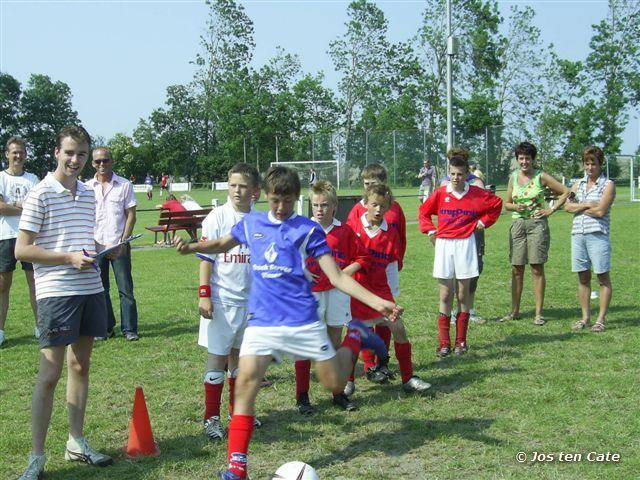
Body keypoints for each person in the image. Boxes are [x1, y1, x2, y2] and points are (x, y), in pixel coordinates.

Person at [174, 166, 400, 480]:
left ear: (297, 199)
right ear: (264, 196)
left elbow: (335, 276)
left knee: (334, 383)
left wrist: (377, 302)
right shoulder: (251, 222)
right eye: (275, 200)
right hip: (263, 321)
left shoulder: (308, 230)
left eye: (288, 200)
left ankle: (357, 335)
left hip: (301, 318)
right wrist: (193, 247)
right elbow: (222, 244)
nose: (281, 207)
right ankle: (237, 469)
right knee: (245, 385)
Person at [15, 126, 113, 479]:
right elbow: (22, 249)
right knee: (49, 374)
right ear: (56, 152)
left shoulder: (88, 194)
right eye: (70, 152)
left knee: (80, 367)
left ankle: (76, 441)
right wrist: (69, 258)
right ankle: (37, 457)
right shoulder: (39, 194)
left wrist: (97, 250)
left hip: (89, 287)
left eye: (82, 154)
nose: (76, 160)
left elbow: (81, 240)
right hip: (56, 292)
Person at [197, 163, 262, 441]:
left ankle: (239, 411)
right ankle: (211, 418)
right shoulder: (217, 217)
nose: (237, 190)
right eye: (233, 185)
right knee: (217, 358)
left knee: (240, 359)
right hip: (222, 301)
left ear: (255, 192)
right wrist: (204, 294)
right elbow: (205, 258)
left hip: (249, 303)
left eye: (243, 186)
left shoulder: (260, 221)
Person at [350, 183, 432, 391]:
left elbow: (390, 268)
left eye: (383, 206)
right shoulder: (353, 228)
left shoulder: (390, 234)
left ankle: (408, 379)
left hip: (381, 291)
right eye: (374, 205)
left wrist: (391, 296)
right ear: (366, 204)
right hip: (359, 291)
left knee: (399, 327)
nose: (378, 210)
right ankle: (347, 382)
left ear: (388, 207)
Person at [419, 155, 503, 356]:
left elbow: (496, 204)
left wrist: (482, 223)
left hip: (466, 244)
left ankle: (461, 341)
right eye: (452, 173)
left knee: (463, 295)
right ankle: (444, 342)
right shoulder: (440, 193)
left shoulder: (475, 193)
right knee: (446, 294)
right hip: (445, 245)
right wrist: (431, 230)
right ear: (449, 173)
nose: (456, 178)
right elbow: (423, 213)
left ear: (467, 174)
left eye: (460, 174)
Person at [296, 180, 365, 414]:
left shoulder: (344, 231)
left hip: (337, 293)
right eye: (315, 205)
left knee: (334, 340)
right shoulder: (303, 229)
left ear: (334, 206)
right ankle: (302, 397)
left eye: (324, 205)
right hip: (311, 295)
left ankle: (338, 393)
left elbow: (361, 258)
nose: (319, 209)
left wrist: (343, 273)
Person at [346, 163, 406, 387]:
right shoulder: (357, 211)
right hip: (361, 276)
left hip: (385, 270)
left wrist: (397, 261)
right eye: (366, 184)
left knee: (386, 316)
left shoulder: (395, 209)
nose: (369, 187)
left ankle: (382, 361)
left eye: (374, 183)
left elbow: (399, 236)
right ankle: (368, 363)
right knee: (362, 320)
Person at [501, 141, 569, 325]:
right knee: (516, 268)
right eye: (521, 158)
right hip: (518, 225)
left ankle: (539, 313)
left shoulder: (541, 176)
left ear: (533, 159)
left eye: (527, 158)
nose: (524, 162)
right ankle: (514, 311)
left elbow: (565, 191)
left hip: (537, 225)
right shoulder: (513, 178)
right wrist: (515, 206)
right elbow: (506, 204)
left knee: (536, 267)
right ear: (517, 159)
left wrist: (551, 209)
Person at [86, 147, 139, 341]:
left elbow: (131, 216)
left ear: (112, 161)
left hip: (119, 246)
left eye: (105, 160)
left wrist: (123, 242)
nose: (102, 164)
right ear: (92, 163)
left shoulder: (124, 185)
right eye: (98, 161)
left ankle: (130, 329)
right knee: (101, 290)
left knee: (126, 290)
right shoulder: (85, 187)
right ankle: (106, 327)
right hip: (96, 246)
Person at [565, 146, 615, 332]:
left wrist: (578, 206)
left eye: (593, 162)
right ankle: (585, 318)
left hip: (598, 236)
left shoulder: (608, 185)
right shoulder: (577, 184)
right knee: (583, 277)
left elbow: (601, 210)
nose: (590, 167)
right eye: (587, 163)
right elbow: (567, 207)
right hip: (578, 234)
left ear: (600, 163)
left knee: (602, 277)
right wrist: (586, 204)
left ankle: (600, 319)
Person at [440, 147, 486, 324]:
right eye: (453, 159)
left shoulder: (476, 183)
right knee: (451, 273)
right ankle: (451, 311)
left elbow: (486, 207)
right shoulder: (445, 184)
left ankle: (470, 309)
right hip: (453, 238)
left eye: (460, 159)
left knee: (473, 271)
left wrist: (480, 222)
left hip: (473, 236)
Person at [0, 136, 39, 346]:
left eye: (21, 152)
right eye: (14, 152)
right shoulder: (1, 178)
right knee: (2, 286)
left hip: (29, 236)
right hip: (5, 237)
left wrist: (10, 205)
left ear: (25, 154)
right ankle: (0, 330)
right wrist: (21, 205)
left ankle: (40, 327)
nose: (18, 155)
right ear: (7, 154)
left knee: (35, 283)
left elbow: (36, 206)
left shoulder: (32, 179)